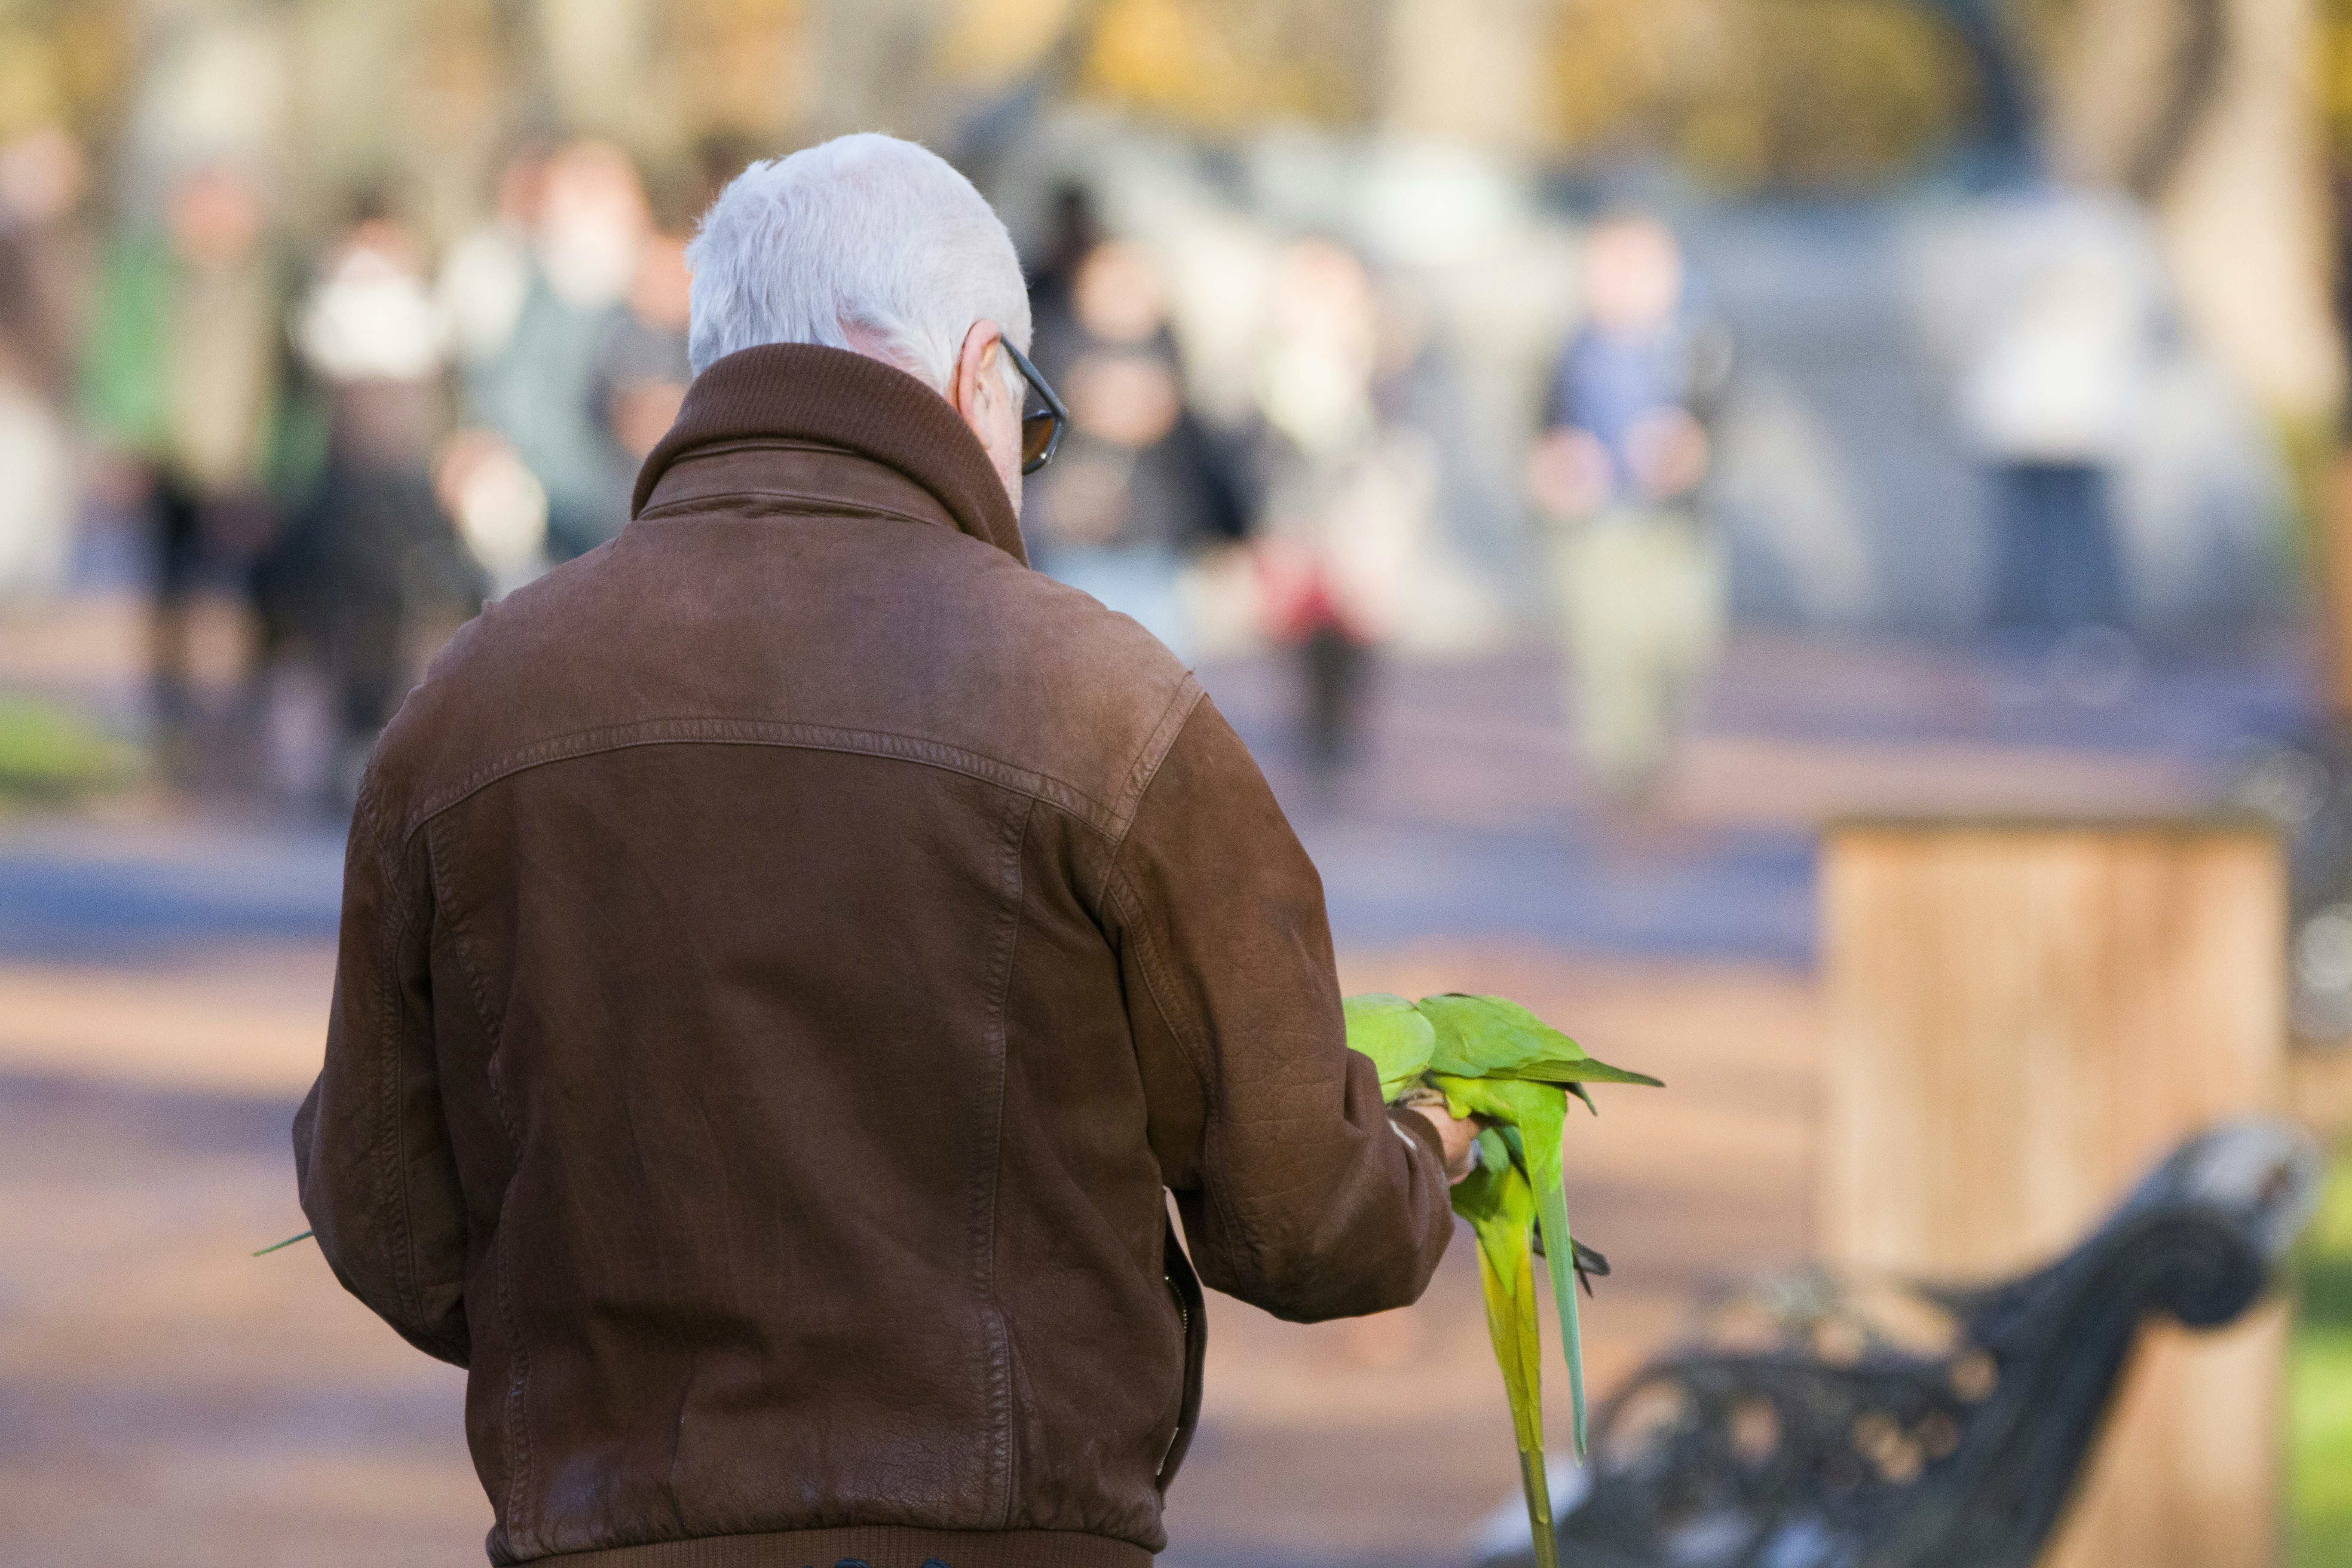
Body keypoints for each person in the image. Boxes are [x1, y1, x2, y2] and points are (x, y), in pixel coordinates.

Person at [293, 133, 1472, 1568]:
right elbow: (1298, 1207)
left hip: (615, 1524)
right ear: (981, 374)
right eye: (1031, 423)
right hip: (1001, 1531)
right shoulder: (1100, 702)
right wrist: (1424, 1146)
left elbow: (382, 1205)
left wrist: (614, 1366)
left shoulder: (472, 702)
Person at [1527, 211, 1730, 805]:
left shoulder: (1698, 346)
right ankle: (1620, 762)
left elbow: (1726, 422)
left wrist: (1693, 449)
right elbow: (1539, 426)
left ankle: (1659, 738)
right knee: (1605, 647)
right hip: (1598, 525)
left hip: (1674, 523)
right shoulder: (1567, 348)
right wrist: (1555, 463)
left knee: (1680, 639)